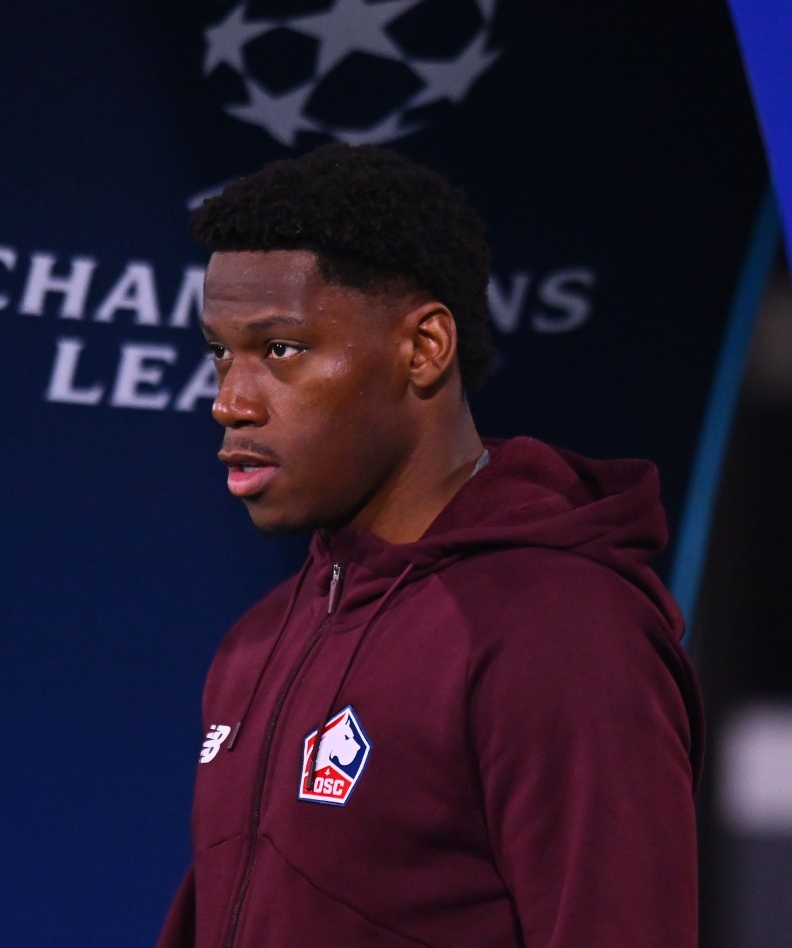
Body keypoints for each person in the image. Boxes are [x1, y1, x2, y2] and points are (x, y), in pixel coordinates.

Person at [158, 143, 702, 947]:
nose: (229, 402)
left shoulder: (561, 635)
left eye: (280, 350)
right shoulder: (257, 643)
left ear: (423, 348)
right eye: (219, 353)